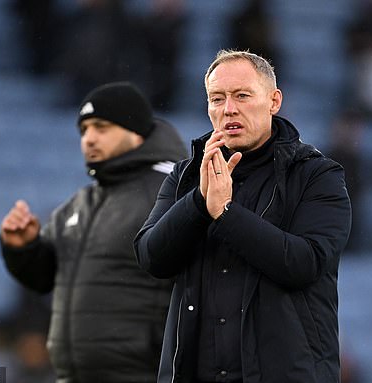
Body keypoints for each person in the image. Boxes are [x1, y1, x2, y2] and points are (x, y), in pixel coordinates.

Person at [134, 50, 352, 383]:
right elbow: (151, 257)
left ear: (274, 101)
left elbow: (304, 262)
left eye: (242, 96)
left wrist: (225, 214)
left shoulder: (316, 175)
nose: (228, 109)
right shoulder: (186, 177)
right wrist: (199, 202)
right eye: (216, 99)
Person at [0, 81, 187, 383]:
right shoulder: (80, 204)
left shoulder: (172, 192)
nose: (89, 139)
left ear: (135, 131)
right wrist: (24, 249)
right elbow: (47, 278)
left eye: (101, 127)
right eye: (84, 130)